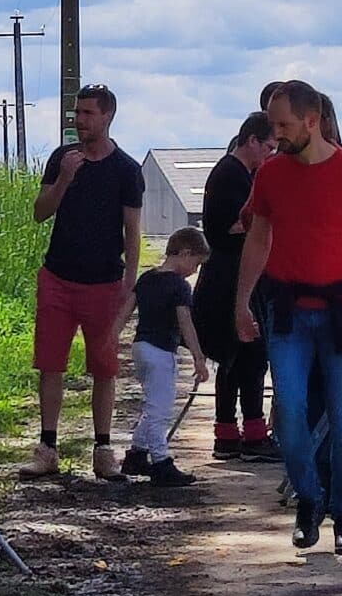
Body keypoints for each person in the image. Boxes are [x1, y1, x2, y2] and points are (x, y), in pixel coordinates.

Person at [233, 81, 342, 556]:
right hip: (286, 309)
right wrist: (242, 302)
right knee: (289, 413)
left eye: (284, 124)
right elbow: (257, 238)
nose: (275, 133)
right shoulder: (270, 174)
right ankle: (309, 500)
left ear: (312, 120)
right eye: (271, 124)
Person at [26, 83, 144, 481]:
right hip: (58, 276)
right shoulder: (63, 159)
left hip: (104, 282)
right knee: (50, 364)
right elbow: (40, 213)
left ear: (108, 116)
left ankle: (103, 448)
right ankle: (48, 447)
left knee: (104, 367)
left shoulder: (127, 170)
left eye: (88, 113)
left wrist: (130, 282)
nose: (80, 120)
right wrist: (63, 180)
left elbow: (132, 230)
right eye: (77, 113)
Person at [194, 114, 276, 460]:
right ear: (252, 140)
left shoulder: (238, 172)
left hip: (232, 272)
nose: (270, 155)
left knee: (240, 358)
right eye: (268, 147)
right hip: (230, 274)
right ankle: (248, 432)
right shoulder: (230, 174)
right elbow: (227, 226)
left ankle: (230, 431)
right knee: (245, 355)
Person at [123, 229, 207, 488]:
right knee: (160, 409)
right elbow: (185, 323)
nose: (194, 271)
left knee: (151, 405)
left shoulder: (147, 278)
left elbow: (126, 309)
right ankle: (161, 461)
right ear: (185, 253)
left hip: (140, 347)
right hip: (161, 352)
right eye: (196, 264)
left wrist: (111, 337)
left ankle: (137, 454)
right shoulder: (179, 286)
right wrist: (198, 356)